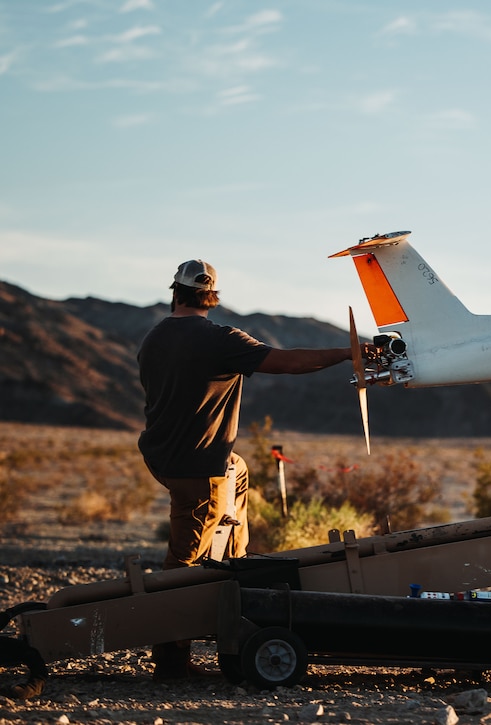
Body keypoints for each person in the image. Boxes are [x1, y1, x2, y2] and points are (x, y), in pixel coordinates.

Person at [137, 259, 356, 680]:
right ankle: (170, 660)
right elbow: (290, 363)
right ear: (211, 296)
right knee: (185, 560)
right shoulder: (218, 339)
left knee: (235, 468)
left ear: (175, 292)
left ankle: (235, 571)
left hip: (165, 457)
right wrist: (348, 352)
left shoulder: (154, 337)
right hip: (196, 465)